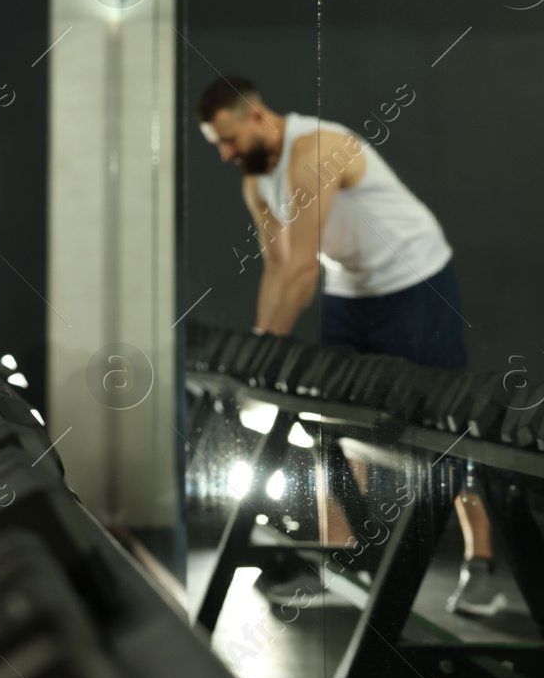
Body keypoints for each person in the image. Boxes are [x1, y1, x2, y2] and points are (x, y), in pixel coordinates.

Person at [196, 75, 506, 618]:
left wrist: (263, 353)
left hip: (414, 281)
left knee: (449, 426)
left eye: (230, 139)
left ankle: (479, 564)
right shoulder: (255, 178)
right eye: (216, 144)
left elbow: (299, 270)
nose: (225, 153)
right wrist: (259, 350)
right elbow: (275, 268)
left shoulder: (316, 149)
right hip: (351, 289)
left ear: (260, 119)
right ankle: (340, 560)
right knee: (329, 421)